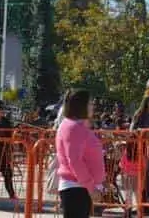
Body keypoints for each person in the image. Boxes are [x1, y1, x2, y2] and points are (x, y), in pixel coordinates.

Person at [56, 89, 105, 218]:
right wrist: (91, 187)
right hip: (77, 188)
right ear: (81, 105)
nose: (92, 106)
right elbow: (75, 161)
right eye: (90, 103)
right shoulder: (73, 127)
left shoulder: (76, 126)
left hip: (79, 188)